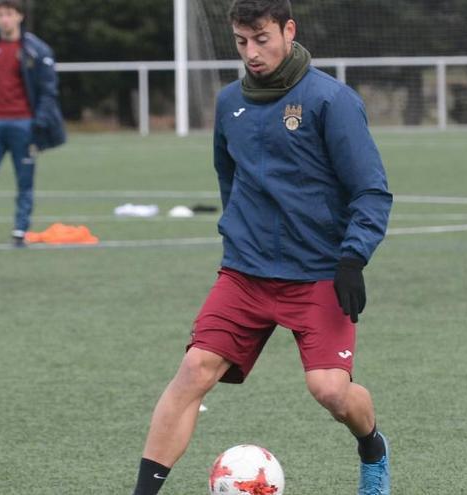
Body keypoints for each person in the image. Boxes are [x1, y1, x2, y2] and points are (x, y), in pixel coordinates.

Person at [131, 1, 393, 494]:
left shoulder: (331, 101)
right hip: (246, 273)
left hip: (317, 272)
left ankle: (372, 446)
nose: (251, 52)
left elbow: (371, 190)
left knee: (331, 392)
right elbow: (229, 181)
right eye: (241, 42)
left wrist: (353, 256)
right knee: (192, 370)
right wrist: (239, 239)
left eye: (262, 39)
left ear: (288, 30)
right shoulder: (230, 102)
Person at [0, 0, 65, 247]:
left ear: (19, 16)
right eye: (0, 14)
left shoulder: (36, 49)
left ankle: (20, 230)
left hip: (24, 125)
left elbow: (48, 90)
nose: (4, 19)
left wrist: (39, 122)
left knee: (25, 180)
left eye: (9, 14)